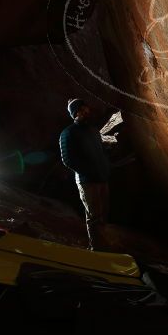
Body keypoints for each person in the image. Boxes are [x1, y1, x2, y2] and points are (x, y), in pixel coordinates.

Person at [59, 100, 112, 250]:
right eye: (82, 109)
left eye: (86, 108)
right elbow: (67, 159)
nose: (86, 111)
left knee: (104, 213)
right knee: (94, 216)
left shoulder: (94, 130)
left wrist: (105, 166)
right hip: (87, 181)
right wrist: (88, 171)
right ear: (75, 113)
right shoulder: (68, 133)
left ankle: (103, 244)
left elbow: (101, 151)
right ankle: (95, 248)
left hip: (102, 178)